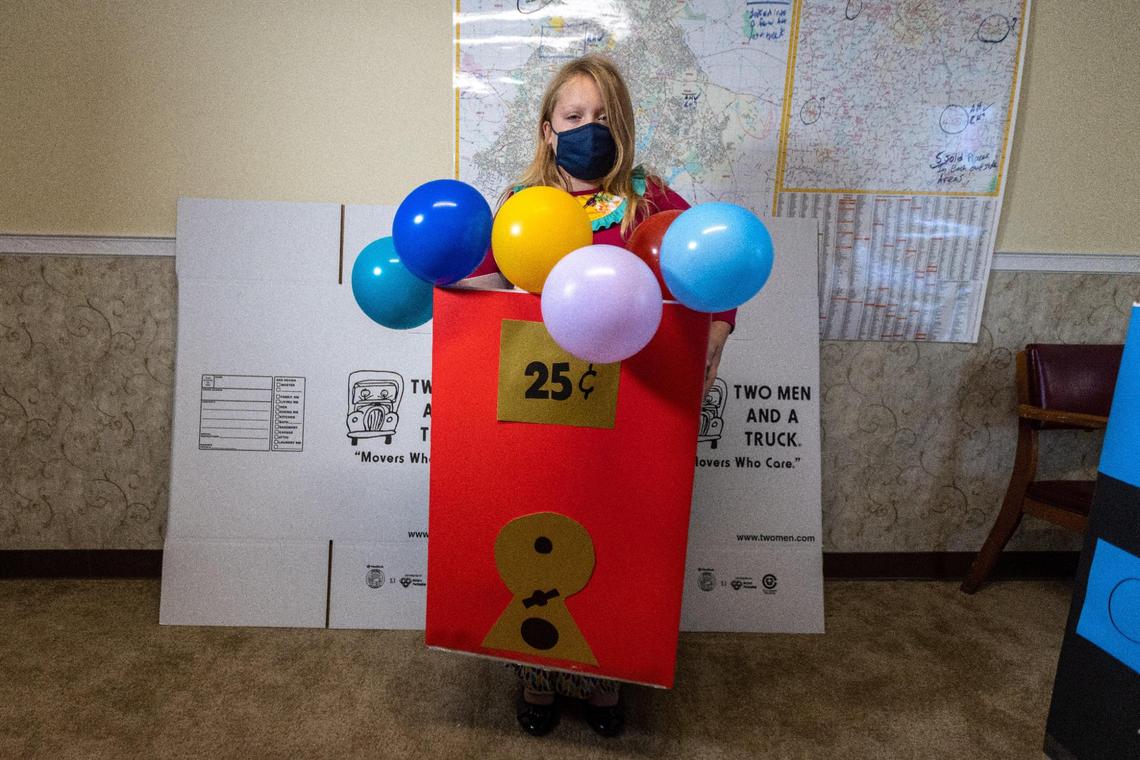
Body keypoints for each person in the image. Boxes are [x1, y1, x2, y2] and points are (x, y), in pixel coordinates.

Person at [471, 53, 735, 738]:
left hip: (631, 407)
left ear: (624, 127)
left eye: (604, 117)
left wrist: (718, 336)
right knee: (540, 525)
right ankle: (536, 669)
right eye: (574, 115)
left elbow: (709, 274)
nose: (590, 128)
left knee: (617, 534)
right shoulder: (520, 207)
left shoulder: (655, 203)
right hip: (540, 407)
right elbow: (478, 290)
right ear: (548, 128)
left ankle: (605, 673)